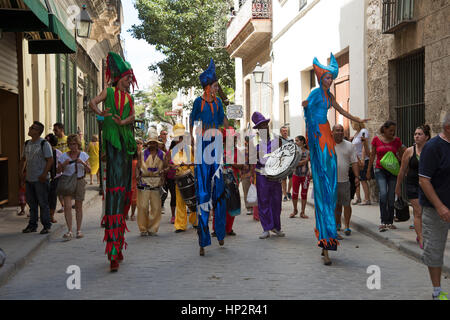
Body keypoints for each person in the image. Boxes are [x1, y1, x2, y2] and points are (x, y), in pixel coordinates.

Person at [302, 53, 369, 265]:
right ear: (321, 79)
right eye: (327, 78)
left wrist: (357, 119)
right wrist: (306, 108)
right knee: (323, 189)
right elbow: (308, 112)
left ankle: (329, 235)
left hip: (327, 136)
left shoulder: (330, 97)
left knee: (330, 189)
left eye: (332, 78)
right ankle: (325, 237)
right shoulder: (314, 94)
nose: (330, 81)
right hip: (318, 136)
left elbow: (341, 110)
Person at [89, 51, 137, 272]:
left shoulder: (129, 98)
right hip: (113, 145)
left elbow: (132, 117)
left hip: (126, 145)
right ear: (119, 78)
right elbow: (92, 102)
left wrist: (122, 120)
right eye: (127, 78)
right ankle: (113, 251)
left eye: (130, 78)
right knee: (116, 195)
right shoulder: (108, 91)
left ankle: (117, 247)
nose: (129, 81)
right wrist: (103, 114)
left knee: (123, 193)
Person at [189, 58, 229, 257]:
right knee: (203, 192)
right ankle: (203, 240)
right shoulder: (198, 102)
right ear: (207, 86)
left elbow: (222, 120)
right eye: (215, 85)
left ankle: (220, 232)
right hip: (202, 148)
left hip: (217, 148)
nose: (217, 88)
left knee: (219, 191)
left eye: (217, 85)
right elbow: (193, 123)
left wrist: (230, 129)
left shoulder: (219, 102)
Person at [418, 112, 450, 300]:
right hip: (435, 209)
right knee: (435, 249)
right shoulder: (433, 148)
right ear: (448, 128)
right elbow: (424, 180)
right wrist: (440, 207)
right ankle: (437, 290)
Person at [395, 125, 431, 249]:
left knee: (427, 212)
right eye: (415, 134)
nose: (416, 136)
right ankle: (421, 237)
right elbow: (402, 170)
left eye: (420, 134)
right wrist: (398, 187)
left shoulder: (431, 150)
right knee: (418, 211)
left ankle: (422, 232)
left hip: (428, 186)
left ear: (426, 137)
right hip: (412, 185)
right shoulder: (409, 151)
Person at [252, 112, 285, 240]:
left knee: (277, 201)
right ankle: (266, 228)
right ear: (258, 129)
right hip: (261, 175)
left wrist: (282, 171)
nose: (265, 127)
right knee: (264, 201)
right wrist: (251, 175)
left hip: (275, 174)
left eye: (266, 124)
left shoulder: (277, 139)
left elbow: (283, 156)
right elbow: (252, 160)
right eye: (261, 126)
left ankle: (276, 227)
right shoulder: (254, 142)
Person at [367, 120, 405, 232]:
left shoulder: (397, 141)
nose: (392, 133)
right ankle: (383, 221)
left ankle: (390, 221)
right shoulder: (376, 140)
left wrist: (403, 165)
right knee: (383, 194)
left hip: (393, 171)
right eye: (390, 130)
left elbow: (402, 154)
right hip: (380, 170)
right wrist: (368, 170)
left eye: (394, 131)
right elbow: (372, 155)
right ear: (384, 129)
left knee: (391, 195)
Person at [20, 121, 53, 234]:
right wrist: (22, 173)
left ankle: (46, 225)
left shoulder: (44, 144)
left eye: (32, 128)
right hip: (30, 178)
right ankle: (32, 225)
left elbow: (50, 160)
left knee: (43, 203)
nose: (29, 128)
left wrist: (44, 174)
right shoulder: (27, 143)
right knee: (32, 204)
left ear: (38, 131)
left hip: (40, 179)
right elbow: (24, 159)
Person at [57, 134, 90, 240]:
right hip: (67, 181)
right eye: (70, 144)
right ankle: (69, 230)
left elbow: (89, 170)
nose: (72, 146)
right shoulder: (63, 156)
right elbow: (58, 171)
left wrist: (84, 164)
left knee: (78, 207)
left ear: (78, 144)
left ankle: (79, 230)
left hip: (80, 181)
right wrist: (63, 165)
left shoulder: (84, 155)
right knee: (67, 207)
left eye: (74, 144)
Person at [168, 123, 197, 232]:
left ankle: (195, 221)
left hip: (191, 179)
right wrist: (173, 167)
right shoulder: (172, 151)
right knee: (180, 202)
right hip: (179, 181)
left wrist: (188, 164)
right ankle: (180, 225)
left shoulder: (190, 149)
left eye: (181, 137)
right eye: (178, 138)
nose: (180, 140)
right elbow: (168, 165)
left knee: (193, 201)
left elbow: (197, 163)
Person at [136, 129, 166, 236]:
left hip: (157, 182)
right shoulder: (142, 153)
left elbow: (166, 167)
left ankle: (153, 228)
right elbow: (138, 166)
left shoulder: (162, 154)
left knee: (156, 208)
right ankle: (143, 228)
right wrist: (137, 176)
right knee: (142, 206)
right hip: (144, 181)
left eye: (154, 142)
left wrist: (163, 174)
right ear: (148, 143)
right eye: (151, 142)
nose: (152, 144)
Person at [333, 125, 359, 237]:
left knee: (346, 204)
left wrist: (357, 177)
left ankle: (347, 226)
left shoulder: (349, 145)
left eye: (341, 130)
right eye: (337, 130)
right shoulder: (328, 144)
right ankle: (336, 224)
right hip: (331, 181)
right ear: (332, 132)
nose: (339, 132)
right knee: (335, 205)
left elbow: (354, 162)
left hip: (345, 180)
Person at [350, 120, 372, 205]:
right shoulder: (356, 134)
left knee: (363, 179)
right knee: (357, 179)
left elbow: (364, 145)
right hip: (355, 160)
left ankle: (367, 199)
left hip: (363, 159)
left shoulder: (363, 131)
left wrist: (362, 159)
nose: (351, 125)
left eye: (352, 123)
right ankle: (358, 197)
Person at [289, 135, 310, 219]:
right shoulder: (294, 151)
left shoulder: (308, 152)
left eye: (297, 140)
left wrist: (299, 162)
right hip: (296, 175)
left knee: (304, 194)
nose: (295, 142)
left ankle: (302, 212)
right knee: (294, 193)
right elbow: (294, 163)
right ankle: (295, 210)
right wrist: (304, 161)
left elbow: (308, 162)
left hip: (305, 176)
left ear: (302, 142)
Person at [45, 133, 62, 223]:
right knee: (45, 196)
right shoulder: (42, 153)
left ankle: (51, 215)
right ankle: (45, 213)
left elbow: (61, 166)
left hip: (55, 177)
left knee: (52, 196)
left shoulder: (58, 153)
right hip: (44, 176)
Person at [53, 122, 69, 214]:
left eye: (56, 130)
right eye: (54, 130)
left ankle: (68, 203)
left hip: (67, 166)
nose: (55, 132)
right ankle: (63, 205)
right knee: (59, 189)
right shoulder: (55, 141)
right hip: (58, 167)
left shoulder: (67, 139)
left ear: (61, 130)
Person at [241, 135, 256, 216]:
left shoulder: (255, 151)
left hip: (254, 174)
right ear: (246, 142)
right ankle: (249, 208)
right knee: (246, 191)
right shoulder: (243, 151)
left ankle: (254, 208)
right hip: (246, 174)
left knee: (254, 191)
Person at [280, 126, 294, 202]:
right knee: (284, 179)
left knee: (291, 178)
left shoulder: (291, 140)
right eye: (283, 131)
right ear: (281, 132)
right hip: (283, 162)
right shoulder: (279, 140)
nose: (285, 132)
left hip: (290, 162)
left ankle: (289, 192)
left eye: (286, 131)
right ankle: (285, 195)